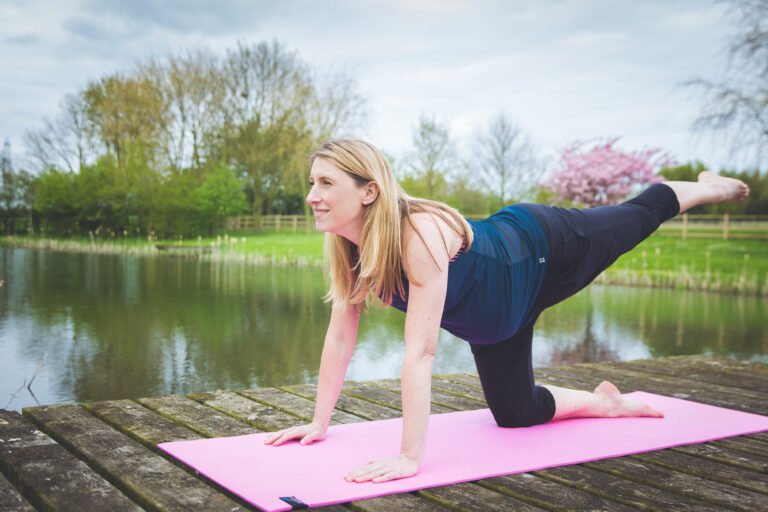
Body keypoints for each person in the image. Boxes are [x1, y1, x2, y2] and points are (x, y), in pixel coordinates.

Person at [264, 138, 750, 483]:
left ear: (368, 190)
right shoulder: (349, 252)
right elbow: (339, 339)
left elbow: (421, 353)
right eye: (312, 182)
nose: (312, 196)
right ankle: (606, 402)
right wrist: (319, 423)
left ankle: (709, 187)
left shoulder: (418, 234)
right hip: (498, 324)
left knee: (637, 218)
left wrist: (410, 457)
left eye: (326, 183)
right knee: (516, 414)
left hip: (543, 247)